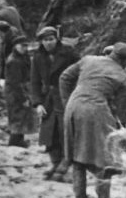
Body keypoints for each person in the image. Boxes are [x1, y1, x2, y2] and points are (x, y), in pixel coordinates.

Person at [60, 43, 126, 198]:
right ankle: (103, 195)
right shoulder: (122, 77)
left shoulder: (88, 60)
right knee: (103, 158)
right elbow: (116, 105)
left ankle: (79, 195)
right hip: (96, 112)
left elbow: (64, 77)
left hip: (72, 107)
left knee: (77, 157)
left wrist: (68, 101)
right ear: (123, 61)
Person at [30, 26, 80, 182]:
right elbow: (34, 82)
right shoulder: (38, 57)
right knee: (49, 134)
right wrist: (37, 103)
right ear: (41, 42)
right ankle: (55, 163)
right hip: (48, 99)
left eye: (51, 39)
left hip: (66, 97)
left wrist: (75, 95)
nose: (48, 43)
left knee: (66, 132)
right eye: (45, 40)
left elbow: (80, 73)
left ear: (57, 39)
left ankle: (66, 165)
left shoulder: (69, 52)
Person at [4, 35, 36, 148]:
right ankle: (14, 140)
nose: (24, 48)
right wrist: (23, 98)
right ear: (15, 46)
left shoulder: (21, 58)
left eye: (26, 46)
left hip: (18, 90)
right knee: (17, 115)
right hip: (14, 92)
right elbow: (15, 83)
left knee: (22, 115)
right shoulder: (14, 61)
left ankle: (19, 139)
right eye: (22, 46)